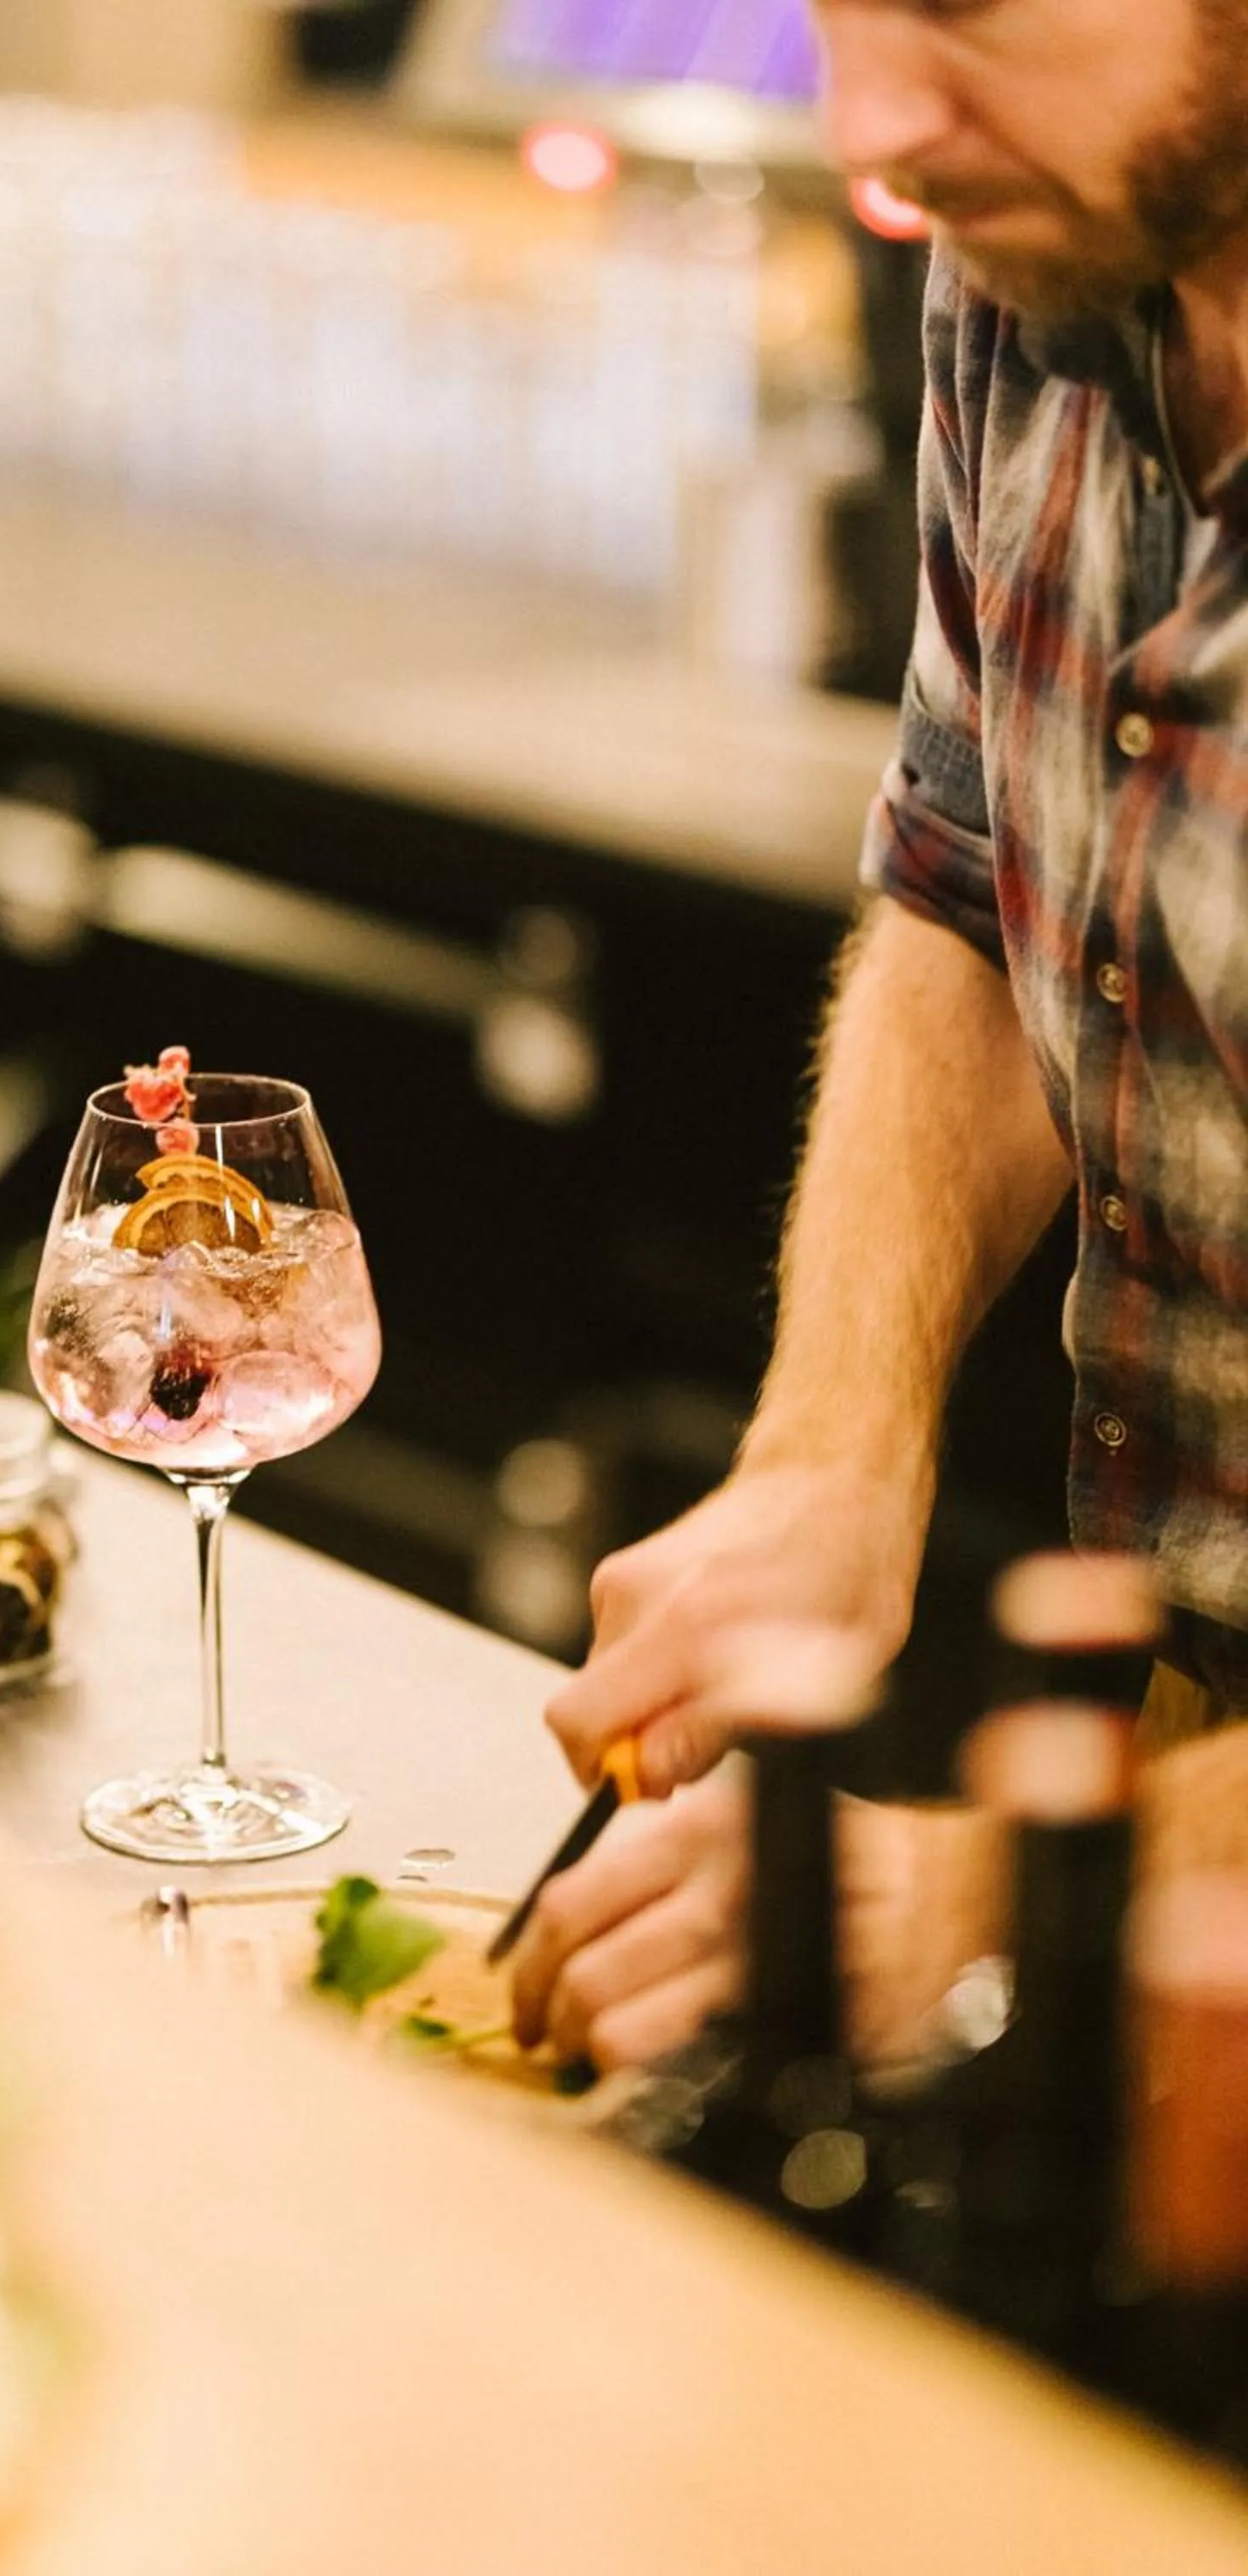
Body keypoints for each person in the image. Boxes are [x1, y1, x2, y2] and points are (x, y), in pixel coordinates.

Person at [513, 0, 1248, 2075]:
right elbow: (972, 878)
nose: (874, 125)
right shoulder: (1042, 243)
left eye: (967, 6)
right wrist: (834, 1451)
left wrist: (974, 1901)